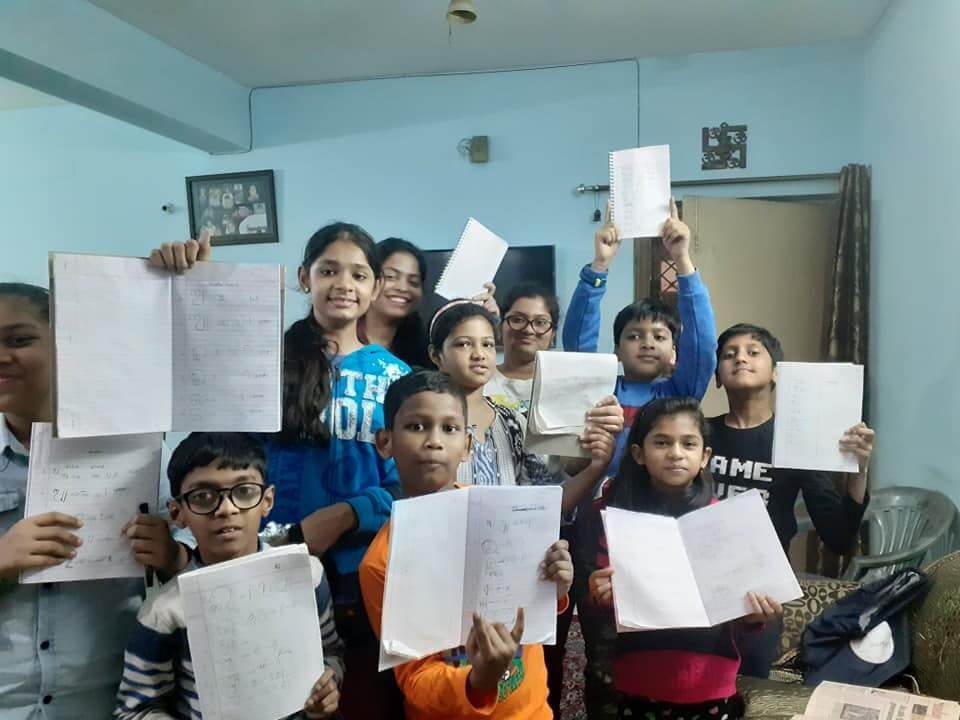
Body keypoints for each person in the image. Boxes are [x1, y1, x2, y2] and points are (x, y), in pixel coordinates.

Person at [150, 223, 411, 717]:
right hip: (266, 569)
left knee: (352, 697)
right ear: (303, 278)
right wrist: (198, 285)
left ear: (376, 287)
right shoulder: (266, 363)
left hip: (361, 579)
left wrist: (346, 515)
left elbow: (409, 484)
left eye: (359, 275)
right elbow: (219, 451)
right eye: (328, 271)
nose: (343, 284)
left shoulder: (395, 377)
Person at [0, 282, 184, 718]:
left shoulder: (136, 451)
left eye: (19, 340)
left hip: (109, 699)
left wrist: (170, 555)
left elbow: (201, 559)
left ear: (64, 345)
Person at [359, 369, 574, 720]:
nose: (434, 441)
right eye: (416, 426)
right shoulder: (383, 561)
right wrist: (479, 680)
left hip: (532, 711)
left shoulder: (503, 514)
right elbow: (415, 679)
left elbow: (534, 608)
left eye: (449, 428)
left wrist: (554, 585)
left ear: (467, 445)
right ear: (385, 442)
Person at [114, 432, 345, 719]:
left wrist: (328, 686)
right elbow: (135, 710)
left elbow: (331, 653)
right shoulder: (165, 611)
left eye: (244, 491)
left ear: (267, 500)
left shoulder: (307, 575)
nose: (227, 509)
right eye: (203, 497)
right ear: (177, 513)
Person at [586, 397, 783, 720]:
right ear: (638, 453)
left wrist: (753, 617)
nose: (676, 453)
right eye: (662, 442)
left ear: (704, 456)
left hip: (710, 683)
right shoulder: (619, 522)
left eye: (688, 444)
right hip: (637, 681)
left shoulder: (727, 521)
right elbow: (606, 608)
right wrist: (600, 595)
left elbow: (741, 619)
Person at [708, 323, 874, 677]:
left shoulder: (796, 444)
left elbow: (839, 537)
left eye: (753, 352)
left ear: (776, 374)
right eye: (729, 354)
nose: (740, 358)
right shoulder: (696, 435)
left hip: (761, 597)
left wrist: (859, 471)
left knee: (747, 694)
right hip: (700, 585)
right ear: (717, 377)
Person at [562, 200, 717, 478]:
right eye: (634, 336)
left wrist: (682, 259)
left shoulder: (679, 394)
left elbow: (702, 344)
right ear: (617, 350)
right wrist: (599, 265)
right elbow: (578, 345)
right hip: (603, 499)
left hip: (662, 500)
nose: (647, 343)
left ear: (675, 351)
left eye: (659, 336)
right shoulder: (602, 391)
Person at [427, 300, 621, 516]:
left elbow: (541, 504)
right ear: (436, 356)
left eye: (488, 344)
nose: (479, 354)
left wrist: (595, 467)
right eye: (464, 344)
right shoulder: (425, 421)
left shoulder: (513, 422)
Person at [484, 282, 560, 413]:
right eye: (518, 320)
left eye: (540, 322)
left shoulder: (565, 387)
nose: (528, 330)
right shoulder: (478, 382)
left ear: (553, 334)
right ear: (500, 327)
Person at [360, 237, 431, 368]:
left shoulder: (425, 352)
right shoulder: (338, 342)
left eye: (413, 282)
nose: (403, 288)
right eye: (390, 277)